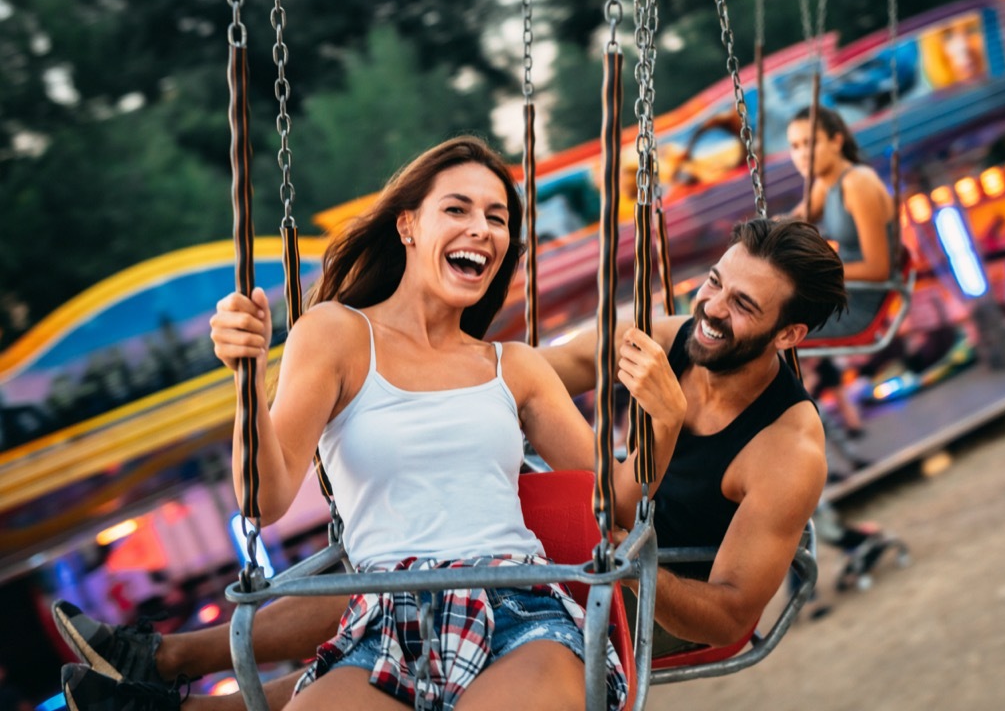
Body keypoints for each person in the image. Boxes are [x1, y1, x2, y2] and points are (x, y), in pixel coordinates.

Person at [54, 217, 842, 706]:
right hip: (581, 544)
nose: (711, 309)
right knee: (428, 543)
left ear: (788, 336)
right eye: (715, 284)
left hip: (654, 602)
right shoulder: (664, 333)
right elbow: (535, 373)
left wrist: (610, 570)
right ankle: (163, 666)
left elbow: (733, 613)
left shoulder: (787, 447)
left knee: (450, 574)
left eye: (743, 306)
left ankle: (172, 673)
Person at [59, 136, 687, 711]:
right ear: (408, 224)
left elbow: (617, 499)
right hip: (383, 623)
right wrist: (244, 377)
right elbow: (263, 500)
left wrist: (666, 418)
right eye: (459, 210)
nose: (483, 229)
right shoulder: (335, 334)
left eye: (498, 218)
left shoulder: (515, 368)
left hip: (520, 612)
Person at [786, 104, 896, 340]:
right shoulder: (825, 182)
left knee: (763, 328)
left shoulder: (857, 184)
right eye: (795, 146)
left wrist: (815, 274)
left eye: (810, 143)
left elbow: (879, 270)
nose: (802, 154)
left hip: (855, 306)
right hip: (836, 295)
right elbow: (795, 220)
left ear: (836, 141)